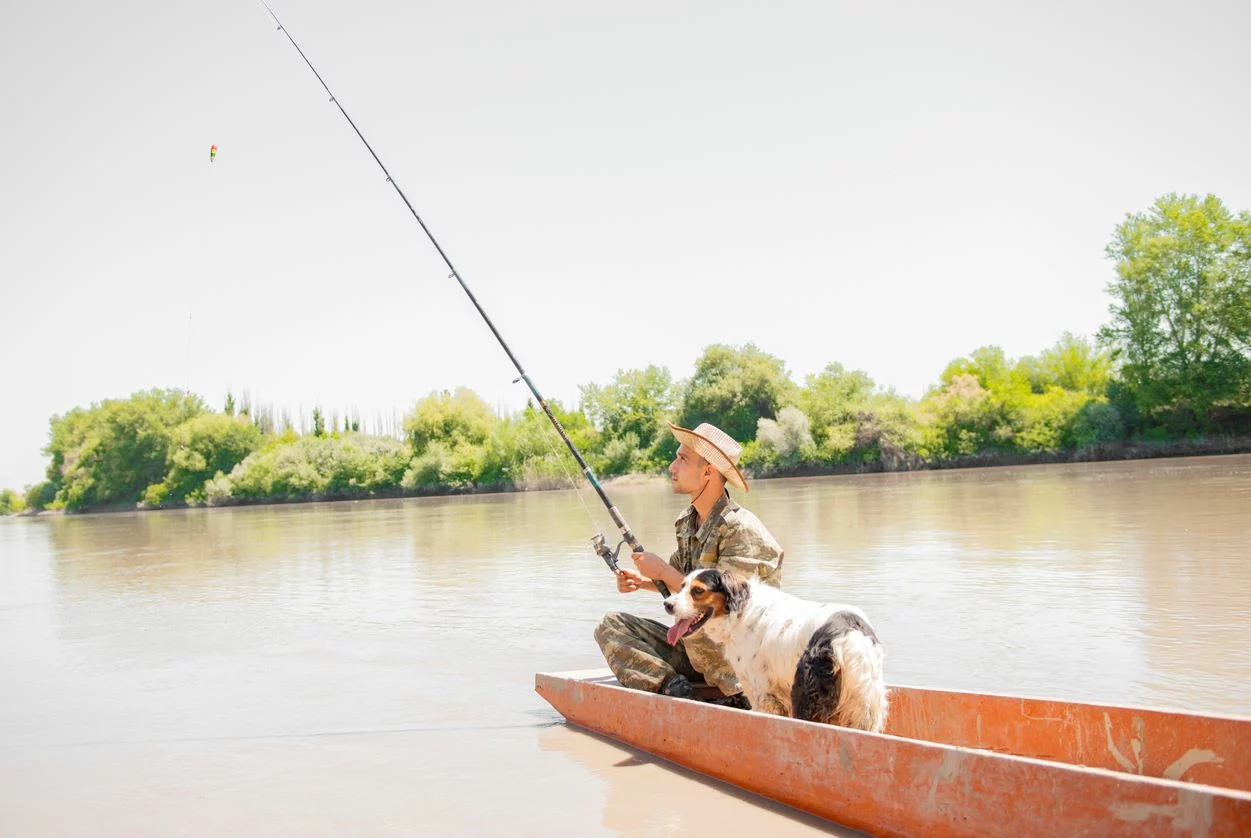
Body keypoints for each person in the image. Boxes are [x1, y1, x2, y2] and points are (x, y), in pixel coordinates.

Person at [593, 421, 784, 708]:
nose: (672, 466)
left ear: (708, 472)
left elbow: (730, 605)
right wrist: (643, 581)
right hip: (698, 652)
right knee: (611, 625)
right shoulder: (687, 522)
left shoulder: (742, 530)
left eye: (682, 459)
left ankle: (738, 699)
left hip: (742, 662)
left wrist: (661, 572)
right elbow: (680, 585)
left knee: (704, 627)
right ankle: (676, 690)